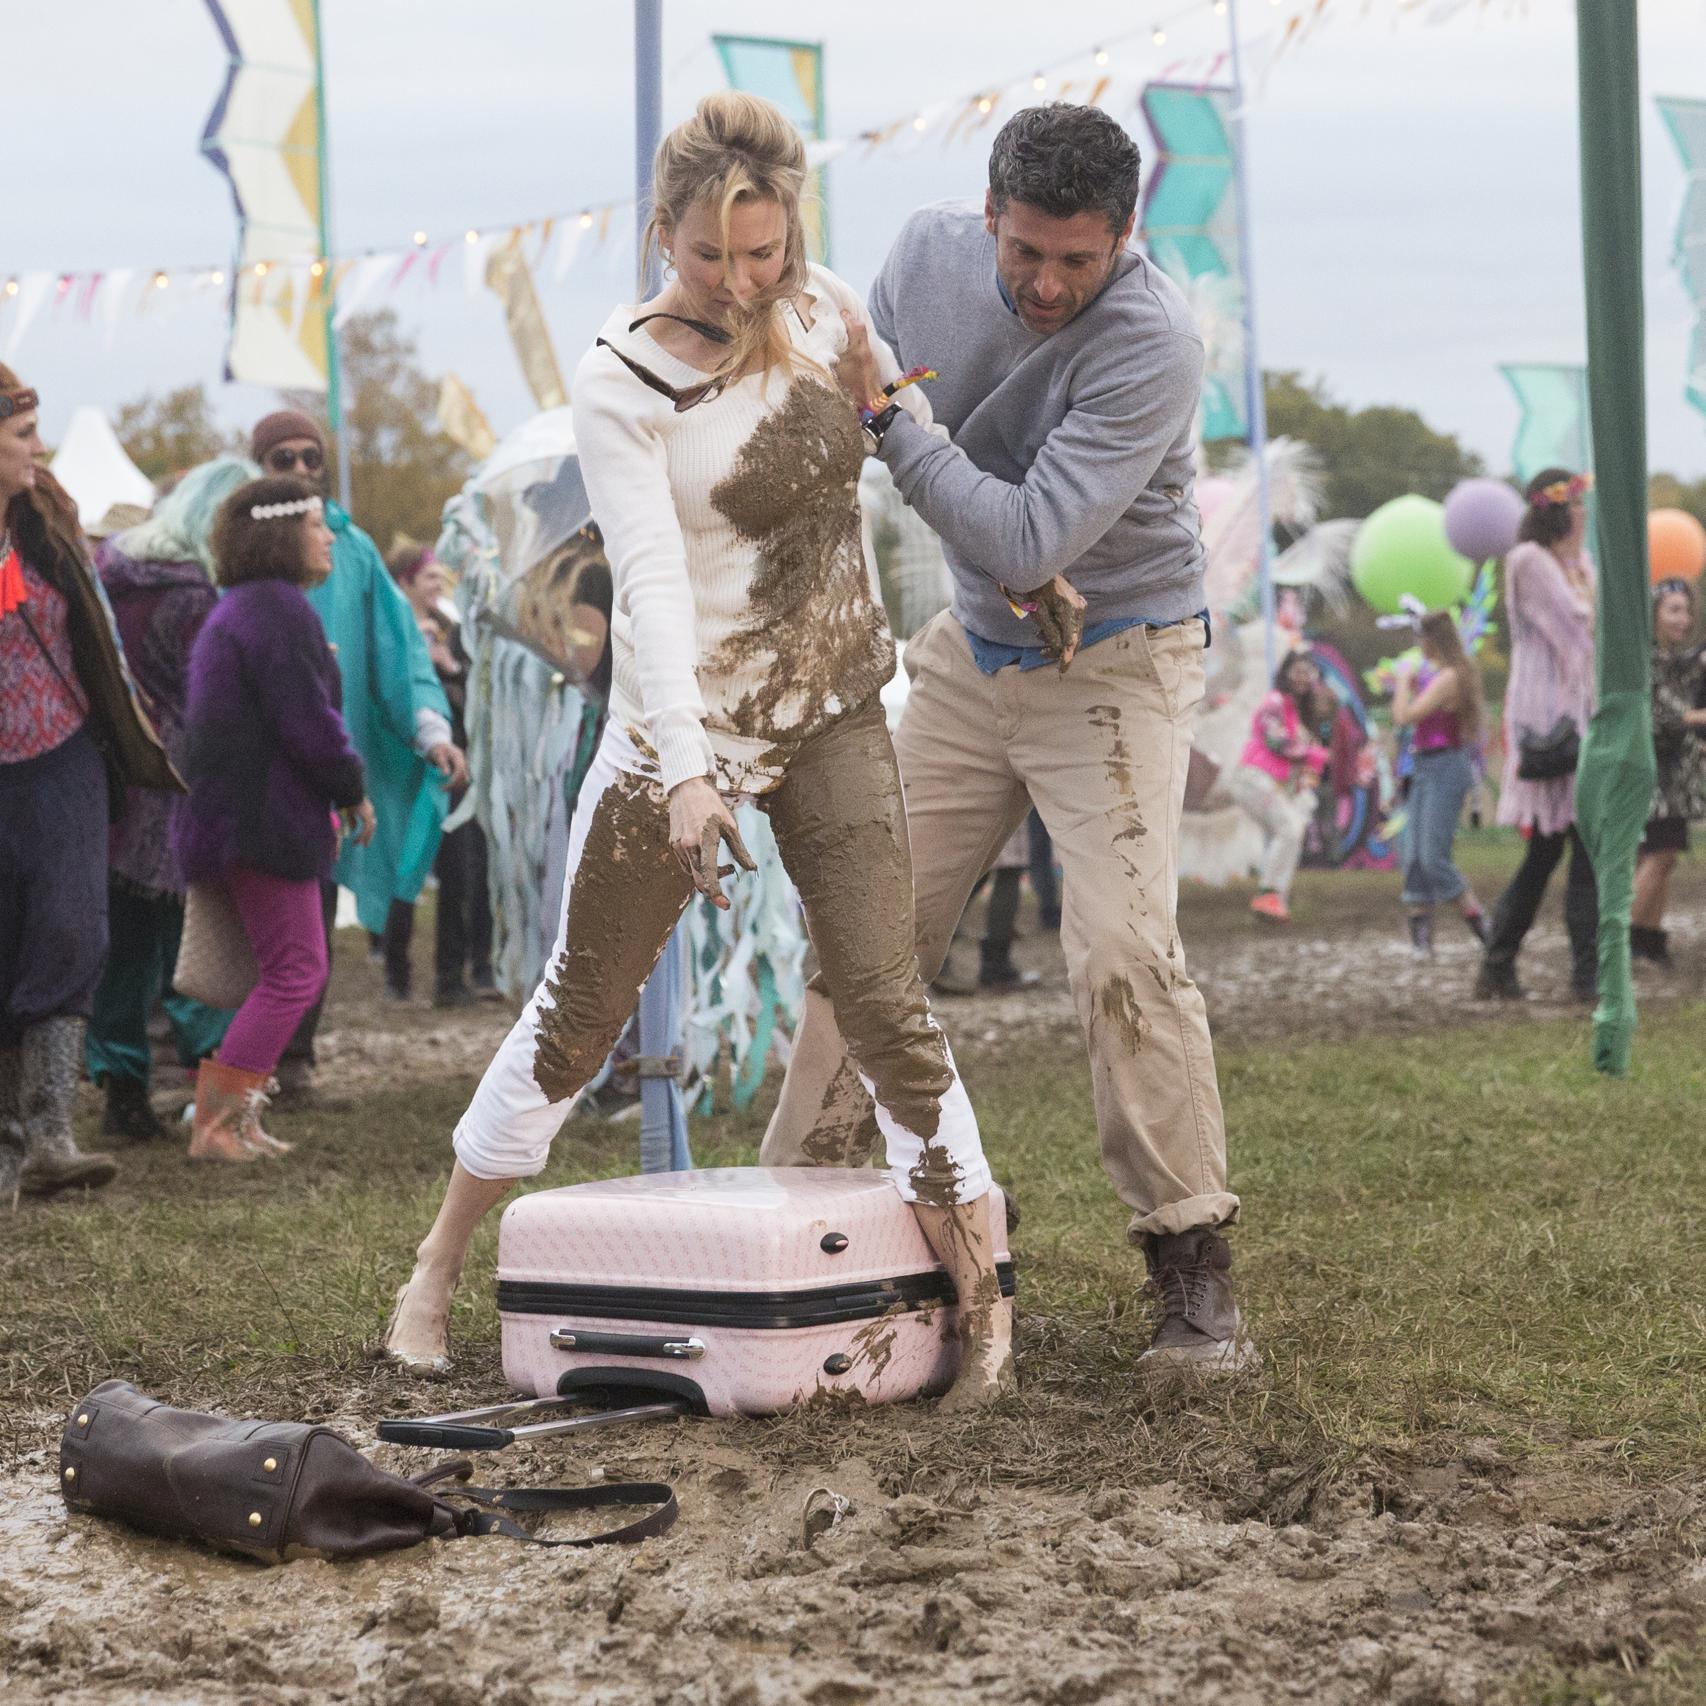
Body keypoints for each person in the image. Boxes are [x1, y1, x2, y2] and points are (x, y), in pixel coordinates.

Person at [382, 91, 1012, 1409]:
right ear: (662, 228)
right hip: (683, 725)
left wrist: (1015, 568)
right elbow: (650, 588)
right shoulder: (622, 380)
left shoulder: (830, 306)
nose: (737, 280)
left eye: (763, 251)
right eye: (708, 252)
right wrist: (679, 769)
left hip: (832, 700)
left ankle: (981, 1301)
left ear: (794, 235)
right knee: (577, 1016)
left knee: (887, 1005)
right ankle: (437, 1262)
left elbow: (900, 438)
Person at [762, 102, 1253, 1374]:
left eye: (1074, 261)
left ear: (1122, 242)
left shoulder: (1152, 341)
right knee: (863, 934)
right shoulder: (922, 259)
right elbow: (832, 402)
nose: (1043, 283)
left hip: (1116, 659)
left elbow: (1030, 535)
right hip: (968, 657)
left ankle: (1188, 1263)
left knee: (1119, 953)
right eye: (1023, 250)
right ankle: (798, 1217)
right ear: (985, 214)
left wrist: (892, 421)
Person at [0, 363, 180, 1205]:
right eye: (22, 434)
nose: (39, 449)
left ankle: (51, 1132)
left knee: (74, 930)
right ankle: (10, 1140)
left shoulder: (49, 515)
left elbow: (97, 626)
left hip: (65, 752)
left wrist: (130, 716)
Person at [246, 412, 467, 1095]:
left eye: (313, 458)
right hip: (247, 769)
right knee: (241, 928)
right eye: (285, 458)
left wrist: (430, 729)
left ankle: (293, 1062)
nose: (303, 471)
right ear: (261, 467)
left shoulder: (355, 550)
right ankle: (210, 1068)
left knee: (309, 917)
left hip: (320, 769)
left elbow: (397, 652)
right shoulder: (233, 550)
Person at [172, 476, 373, 1160]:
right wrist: (350, 787)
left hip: (237, 819)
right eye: (318, 524)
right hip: (263, 821)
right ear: (285, 533)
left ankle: (236, 1120)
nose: (328, 538)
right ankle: (218, 1128)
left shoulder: (245, 610)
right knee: (295, 971)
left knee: (287, 970)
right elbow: (308, 724)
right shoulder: (275, 612)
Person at [85, 456, 257, 1139]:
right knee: (192, 938)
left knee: (124, 945)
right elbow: (208, 700)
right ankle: (205, 1092)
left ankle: (121, 1085)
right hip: (179, 780)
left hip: (109, 773)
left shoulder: (110, 570)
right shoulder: (197, 595)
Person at [1475, 470, 1598, 1002]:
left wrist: (1577, 560)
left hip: (1580, 709)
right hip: (1548, 715)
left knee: (1565, 848)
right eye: (1578, 504)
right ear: (1559, 509)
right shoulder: (1528, 560)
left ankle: (1510, 966)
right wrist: (1576, 561)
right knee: (1563, 848)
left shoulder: (1573, 562)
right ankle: (1562, 973)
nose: (1584, 514)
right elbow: (1578, 622)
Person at [379, 540, 498, 1005]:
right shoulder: (393, 630)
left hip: (454, 766)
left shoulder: (453, 631)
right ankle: (396, 973)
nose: (438, 585)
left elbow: (475, 692)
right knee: (404, 868)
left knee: (461, 868)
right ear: (406, 580)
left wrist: (450, 666)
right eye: (429, 576)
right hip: (409, 766)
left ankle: (453, 976)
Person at [1390, 610, 1489, 958]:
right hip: (1424, 766)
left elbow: (1404, 716)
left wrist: (1402, 683)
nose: (1419, 647)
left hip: (1446, 767)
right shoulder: (1442, 674)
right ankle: (1422, 943)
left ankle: (1485, 930)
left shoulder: (1450, 676)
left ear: (1432, 640)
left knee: (1434, 858)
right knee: (1414, 857)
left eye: (1421, 639)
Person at [1221, 651, 1330, 924]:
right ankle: (1270, 893)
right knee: (1289, 828)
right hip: (1252, 779)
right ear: (1286, 673)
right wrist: (1312, 753)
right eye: (1298, 671)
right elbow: (1276, 742)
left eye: (1309, 672)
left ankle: (1275, 895)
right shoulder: (1275, 702)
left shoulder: (1296, 711)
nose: (1303, 678)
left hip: (1269, 783)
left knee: (1292, 829)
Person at [1631, 578, 1706, 968]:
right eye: (1673, 610)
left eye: (1687, 610)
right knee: (1658, 856)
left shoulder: (1676, 662)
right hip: (1652, 774)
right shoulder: (1647, 660)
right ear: (1653, 614)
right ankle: (1623, 941)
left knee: (1663, 857)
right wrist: (1698, 718)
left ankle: (1648, 937)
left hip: (1674, 779)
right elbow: (1657, 721)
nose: (1684, 618)